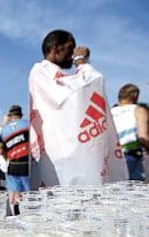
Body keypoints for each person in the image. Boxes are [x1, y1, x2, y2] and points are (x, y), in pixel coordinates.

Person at [29, 29, 127, 188]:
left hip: (72, 153)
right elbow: (86, 85)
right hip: (62, 155)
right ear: (56, 47)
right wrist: (81, 62)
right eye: (70, 48)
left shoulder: (55, 74)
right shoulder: (41, 71)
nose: (72, 54)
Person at [111, 84, 149, 181]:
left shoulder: (109, 112)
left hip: (112, 159)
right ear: (135, 95)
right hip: (131, 156)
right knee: (135, 193)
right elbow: (143, 137)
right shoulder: (139, 110)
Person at [0, 105, 29, 215]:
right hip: (26, 165)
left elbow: (1, 151)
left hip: (12, 166)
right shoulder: (27, 124)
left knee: (16, 196)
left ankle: (18, 220)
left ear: (10, 116)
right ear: (21, 114)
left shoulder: (3, 130)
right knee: (29, 196)